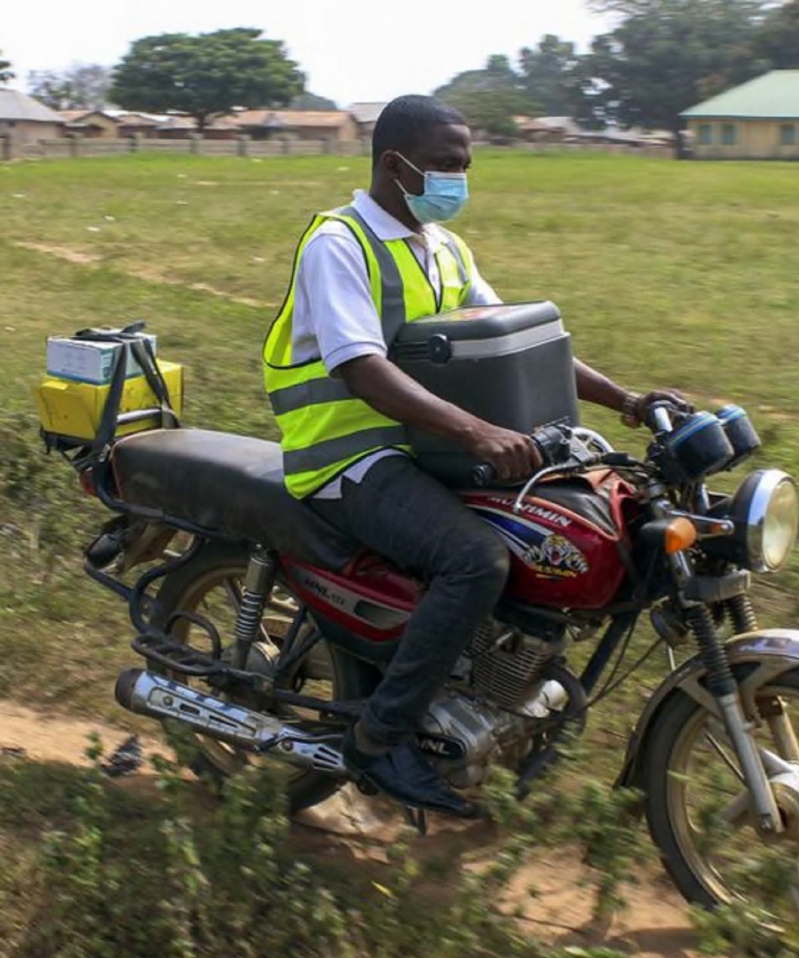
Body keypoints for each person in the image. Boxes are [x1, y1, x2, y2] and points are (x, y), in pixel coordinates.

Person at [262, 94, 686, 816]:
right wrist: (474, 432)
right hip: (347, 456)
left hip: (426, 449)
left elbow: (520, 344)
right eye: (444, 165)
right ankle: (381, 739)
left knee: (550, 531)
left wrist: (628, 401)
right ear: (394, 165)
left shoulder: (445, 248)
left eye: (464, 165)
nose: (457, 179)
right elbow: (360, 367)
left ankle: (490, 690)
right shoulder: (340, 242)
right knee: (474, 560)